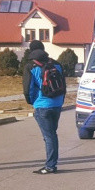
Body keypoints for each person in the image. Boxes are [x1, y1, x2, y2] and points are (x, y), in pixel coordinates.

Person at [23, 41, 65, 174]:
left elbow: (27, 88)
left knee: (49, 136)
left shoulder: (30, 66)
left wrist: (31, 101)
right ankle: (51, 162)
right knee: (52, 134)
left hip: (42, 105)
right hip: (57, 104)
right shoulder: (57, 64)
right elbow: (64, 85)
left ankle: (50, 166)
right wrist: (60, 101)